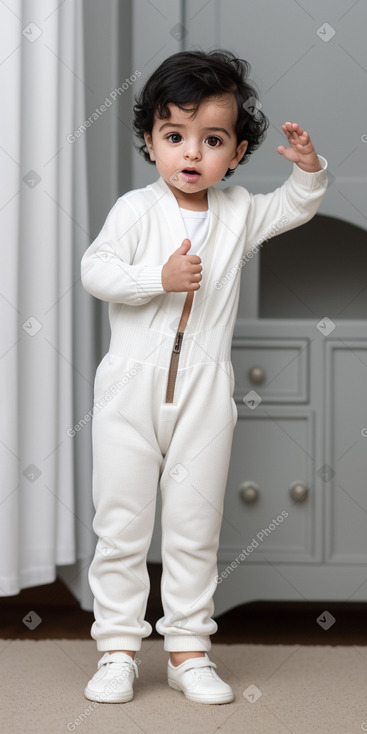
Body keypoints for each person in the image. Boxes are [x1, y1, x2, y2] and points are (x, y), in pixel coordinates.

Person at [81, 49, 328, 705]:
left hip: (203, 393)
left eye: (211, 139)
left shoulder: (238, 210)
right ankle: (117, 649)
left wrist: (308, 173)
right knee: (122, 524)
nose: (191, 153)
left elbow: (292, 209)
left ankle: (189, 649)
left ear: (236, 153)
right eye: (174, 135)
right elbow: (96, 271)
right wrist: (154, 280)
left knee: (194, 527)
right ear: (149, 140)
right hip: (128, 394)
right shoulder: (135, 211)